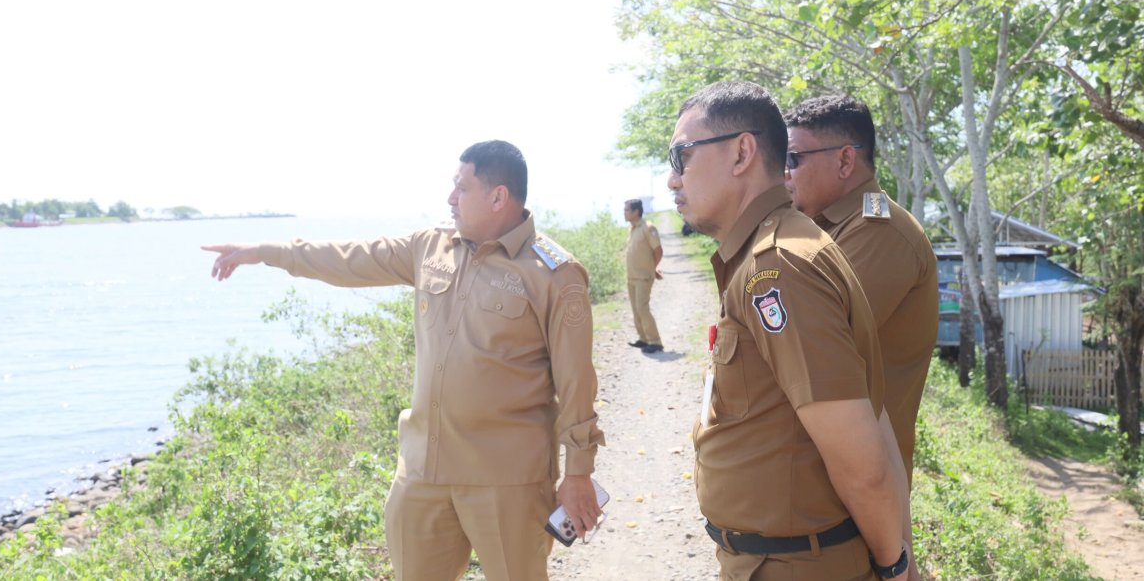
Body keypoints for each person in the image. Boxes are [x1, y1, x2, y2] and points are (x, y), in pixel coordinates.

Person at [202, 140, 605, 581]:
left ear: (497, 197)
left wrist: (579, 473)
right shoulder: (429, 247)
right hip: (422, 475)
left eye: (461, 187)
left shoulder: (554, 273)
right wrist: (266, 252)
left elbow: (576, 382)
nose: (450, 198)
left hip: (505, 479)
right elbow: (350, 259)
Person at [668, 81, 909, 580]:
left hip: (794, 564)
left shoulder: (776, 266)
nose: (673, 180)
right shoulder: (773, 251)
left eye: (681, 156)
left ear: (741, 152)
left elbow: (858, 457)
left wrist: (894, 564)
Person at [783, 95, 939, 485]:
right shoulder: (829, 225)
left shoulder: (878, 229)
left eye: (792, 159)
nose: (784, 174)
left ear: (845, 160)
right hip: (830, 469)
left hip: (861, 480)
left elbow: (807, 339)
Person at [623, 198, 664, 353]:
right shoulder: (632, 228)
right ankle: (643, 339)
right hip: (632, 277)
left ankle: (655, 341)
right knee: (636, 309)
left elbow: (658, 251)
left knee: (642, 308)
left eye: (627, 210)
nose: (624, 213)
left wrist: (652, 268)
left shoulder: (648, 228)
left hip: (643, 277)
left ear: (635, 212)